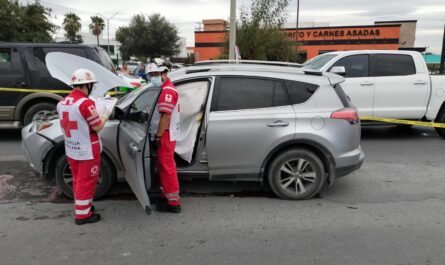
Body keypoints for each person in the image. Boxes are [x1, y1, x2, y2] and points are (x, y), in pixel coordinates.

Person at [57, 69, 109, 225]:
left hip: (73, 148)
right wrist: (105, 114)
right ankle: (82, 216)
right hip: (87, 149)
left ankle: (83, 207)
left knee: (78, 179)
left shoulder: (62, 102)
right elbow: (97, 127)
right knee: (87, 181)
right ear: (87, 84)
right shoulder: (86, 103)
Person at [149, 64, 181, 213]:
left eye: (155, 74)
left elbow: (166, 116)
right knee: (163, 166)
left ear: (164, 74)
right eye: (151, 75)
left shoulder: (168, 90)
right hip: (166, 133)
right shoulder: (165, 89)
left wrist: (157, 136)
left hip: (166, 134)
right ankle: (166, 194)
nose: (153, 78)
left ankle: (173, 203)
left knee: (167, 167)